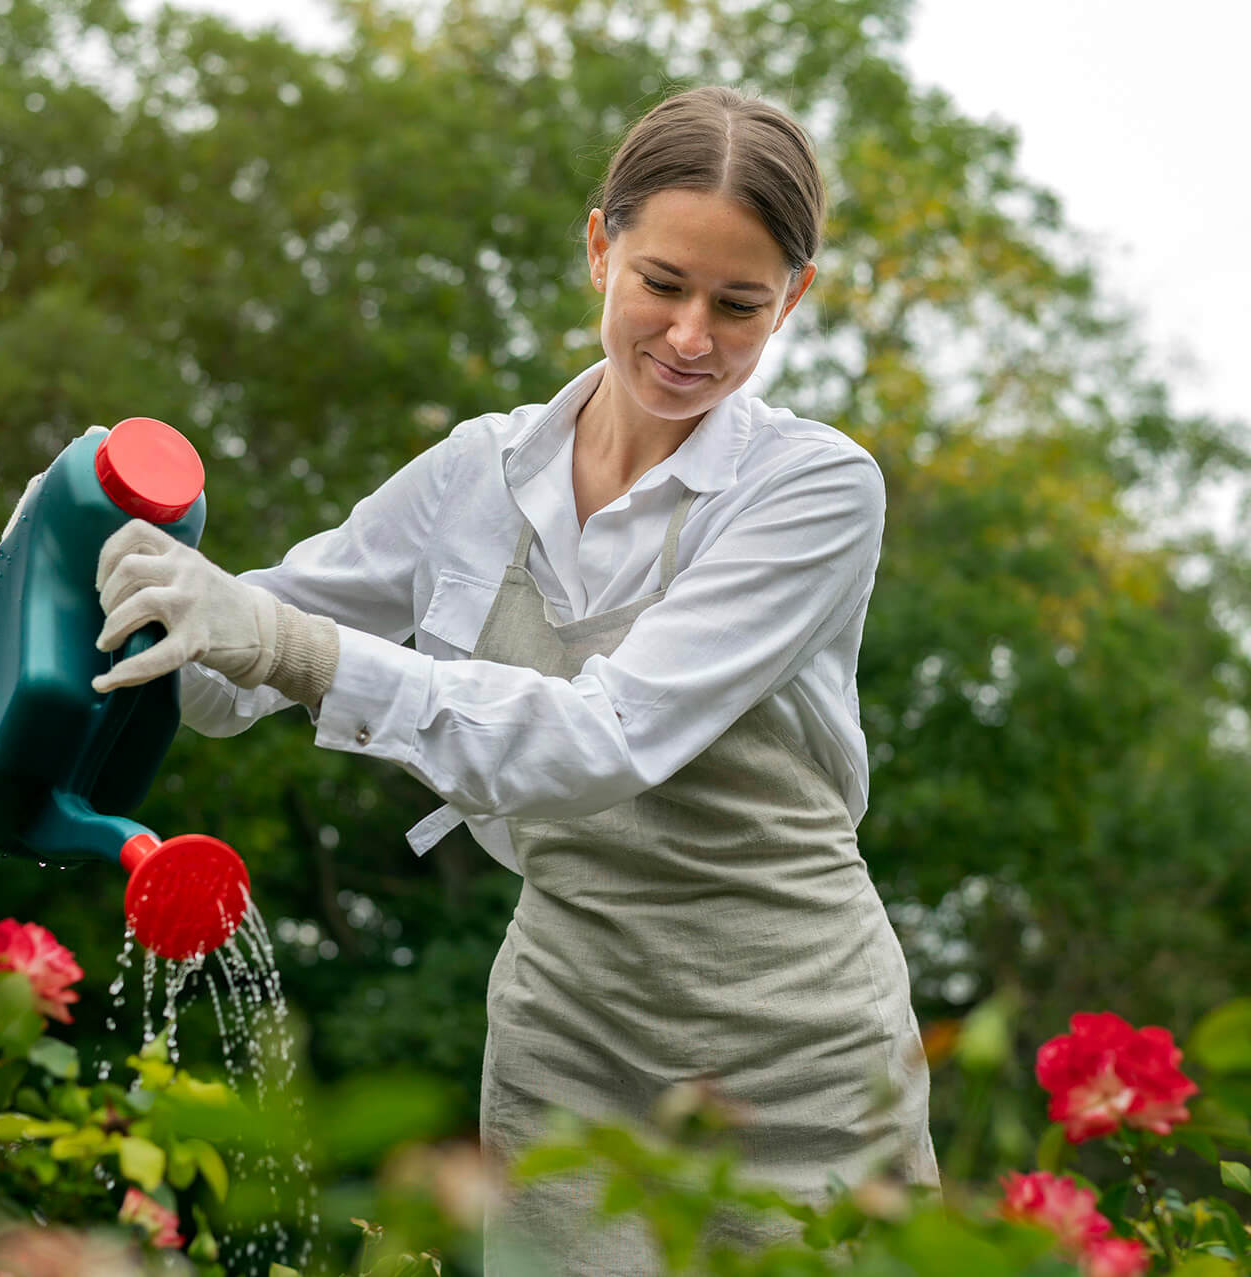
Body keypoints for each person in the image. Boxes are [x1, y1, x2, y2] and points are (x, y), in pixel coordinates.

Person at [87, 85, 939, 1275]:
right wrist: (112, 588)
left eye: (739, 305)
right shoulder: (474, 473)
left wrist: (284, 642)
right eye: (660, 283)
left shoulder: (813, 490)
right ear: (600, 246)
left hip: (795, 1042)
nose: (691, 336)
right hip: (570, 1025)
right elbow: (229, 673)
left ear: (793, 296)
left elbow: (603, 742)